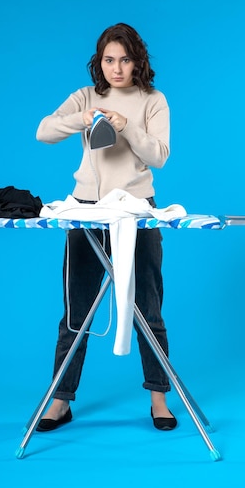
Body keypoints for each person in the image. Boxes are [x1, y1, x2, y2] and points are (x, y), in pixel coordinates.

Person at [35, 23, 177, 432]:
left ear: (138, 61)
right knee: (76, 309)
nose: (117, 68)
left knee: (147, 307)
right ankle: (60, 401)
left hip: (136, 211)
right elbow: (43, 131)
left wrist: (126, 125)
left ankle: (159, 398)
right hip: (86, 211)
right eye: (109, 60)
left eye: (125, 59)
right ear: (99, 62)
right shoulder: (86, 96)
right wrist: (83, 118)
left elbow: (160, 155)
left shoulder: (153, 100)